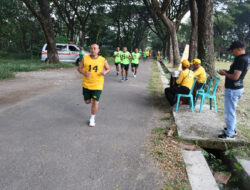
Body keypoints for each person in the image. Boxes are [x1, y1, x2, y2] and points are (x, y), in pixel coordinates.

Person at [218, 40, 249, 139]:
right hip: (238, 88)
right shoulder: (245, 58)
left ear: (239, 49)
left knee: (229, 112)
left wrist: (225, 74)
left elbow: (236, 77)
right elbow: (235, 73)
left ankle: (230, 134)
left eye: (233, 50)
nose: (232, 52)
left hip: (233, 89)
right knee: (231, 111)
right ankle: (232, 129)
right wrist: (227, 71)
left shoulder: (241, 60)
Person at [78, 44, 110, 127]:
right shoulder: (85, 58)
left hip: (98, 84)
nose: (93, 50)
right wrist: (84, 73)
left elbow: (108, 69)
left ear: (98, 50)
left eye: (95, 48)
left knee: (95, 102)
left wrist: (104, 72)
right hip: (86, 84)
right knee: (87, 102)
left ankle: (92, 118)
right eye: (91, 48)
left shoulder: (102, 60)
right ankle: (94, 100)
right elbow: (79, 69)